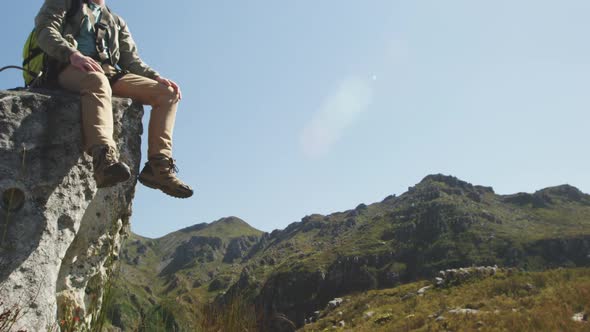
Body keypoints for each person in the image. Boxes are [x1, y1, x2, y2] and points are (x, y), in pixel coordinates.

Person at [35, 0, 193, 198]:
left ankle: (158, 168)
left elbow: (130, 59)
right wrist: (72, 54)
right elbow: (45, 30)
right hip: (68, 67)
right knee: (97, 81)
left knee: (167, 94)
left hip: (108, 72)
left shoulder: (116, 21)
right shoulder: (65, 3)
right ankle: (104, 160)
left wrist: (155, 77)